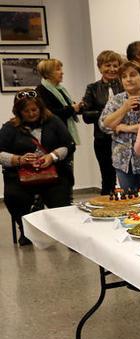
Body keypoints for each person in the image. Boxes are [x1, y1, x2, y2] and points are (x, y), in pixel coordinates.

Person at [0, 91, 75, 245]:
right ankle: (25, 229)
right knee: (14, 197)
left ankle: (67, 233)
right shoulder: (10, 127)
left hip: (53, 174)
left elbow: (69, 145)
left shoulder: (54, 121)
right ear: (18, 112)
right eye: (26, 111)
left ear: (41, 108)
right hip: (21, 176)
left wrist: (52, 157)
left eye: (34, 110)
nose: (31, 114)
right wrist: (19, 160)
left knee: (61, 198)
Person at [81, 50, 124, 194]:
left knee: (127, 177)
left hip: (125, 138)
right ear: (100, 67)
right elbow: (86, 116)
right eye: (107, 65)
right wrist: (106, 115)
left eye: (115, 65)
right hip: (102, 140)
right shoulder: (92, 88)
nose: (112, 69)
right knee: (108, 178)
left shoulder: (125, 85)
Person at [100, 62, 140, 191]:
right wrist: (124, 108)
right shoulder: (116, 100)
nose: (129, 79)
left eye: (133, 75)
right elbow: (104, 125)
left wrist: (124, 128)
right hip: (123, 160)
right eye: (124, 77)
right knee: (129, 202)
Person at [34, 59, 81, 152]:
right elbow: (49, 113)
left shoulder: (60, 89)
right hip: (53, 136)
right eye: (58, 69)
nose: (62, 73)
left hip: (64, 134)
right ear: (47, 74)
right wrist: (72, 109)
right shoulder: (41, 90)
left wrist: (78, 107)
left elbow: (67, 107)